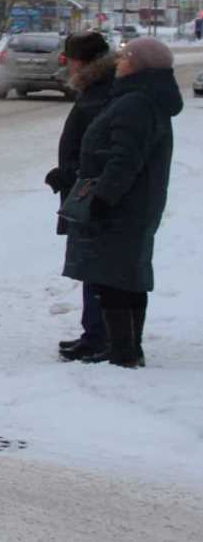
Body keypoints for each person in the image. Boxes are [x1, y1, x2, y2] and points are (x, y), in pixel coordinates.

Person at [62, 36, 183, 368]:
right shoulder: (141, 98)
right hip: (134, 202)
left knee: (114, 276)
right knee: (125, 275)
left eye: (127, 57)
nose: (120, 61)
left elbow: (124, 159)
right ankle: (125, 349)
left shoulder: (136, 103)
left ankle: (122, 353)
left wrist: (103, 198)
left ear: (142, 66)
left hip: (124, 205)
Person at [44, 31, 117, 362]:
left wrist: (71, 174)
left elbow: (100, 148)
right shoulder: (98, 90)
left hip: (92, 191)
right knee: (92, 263)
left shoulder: (101, 94)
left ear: (83, 62)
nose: (67, 64)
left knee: (98, 262)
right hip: (85, 188)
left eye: (70, 58)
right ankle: (95, 333)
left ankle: (101, 336)